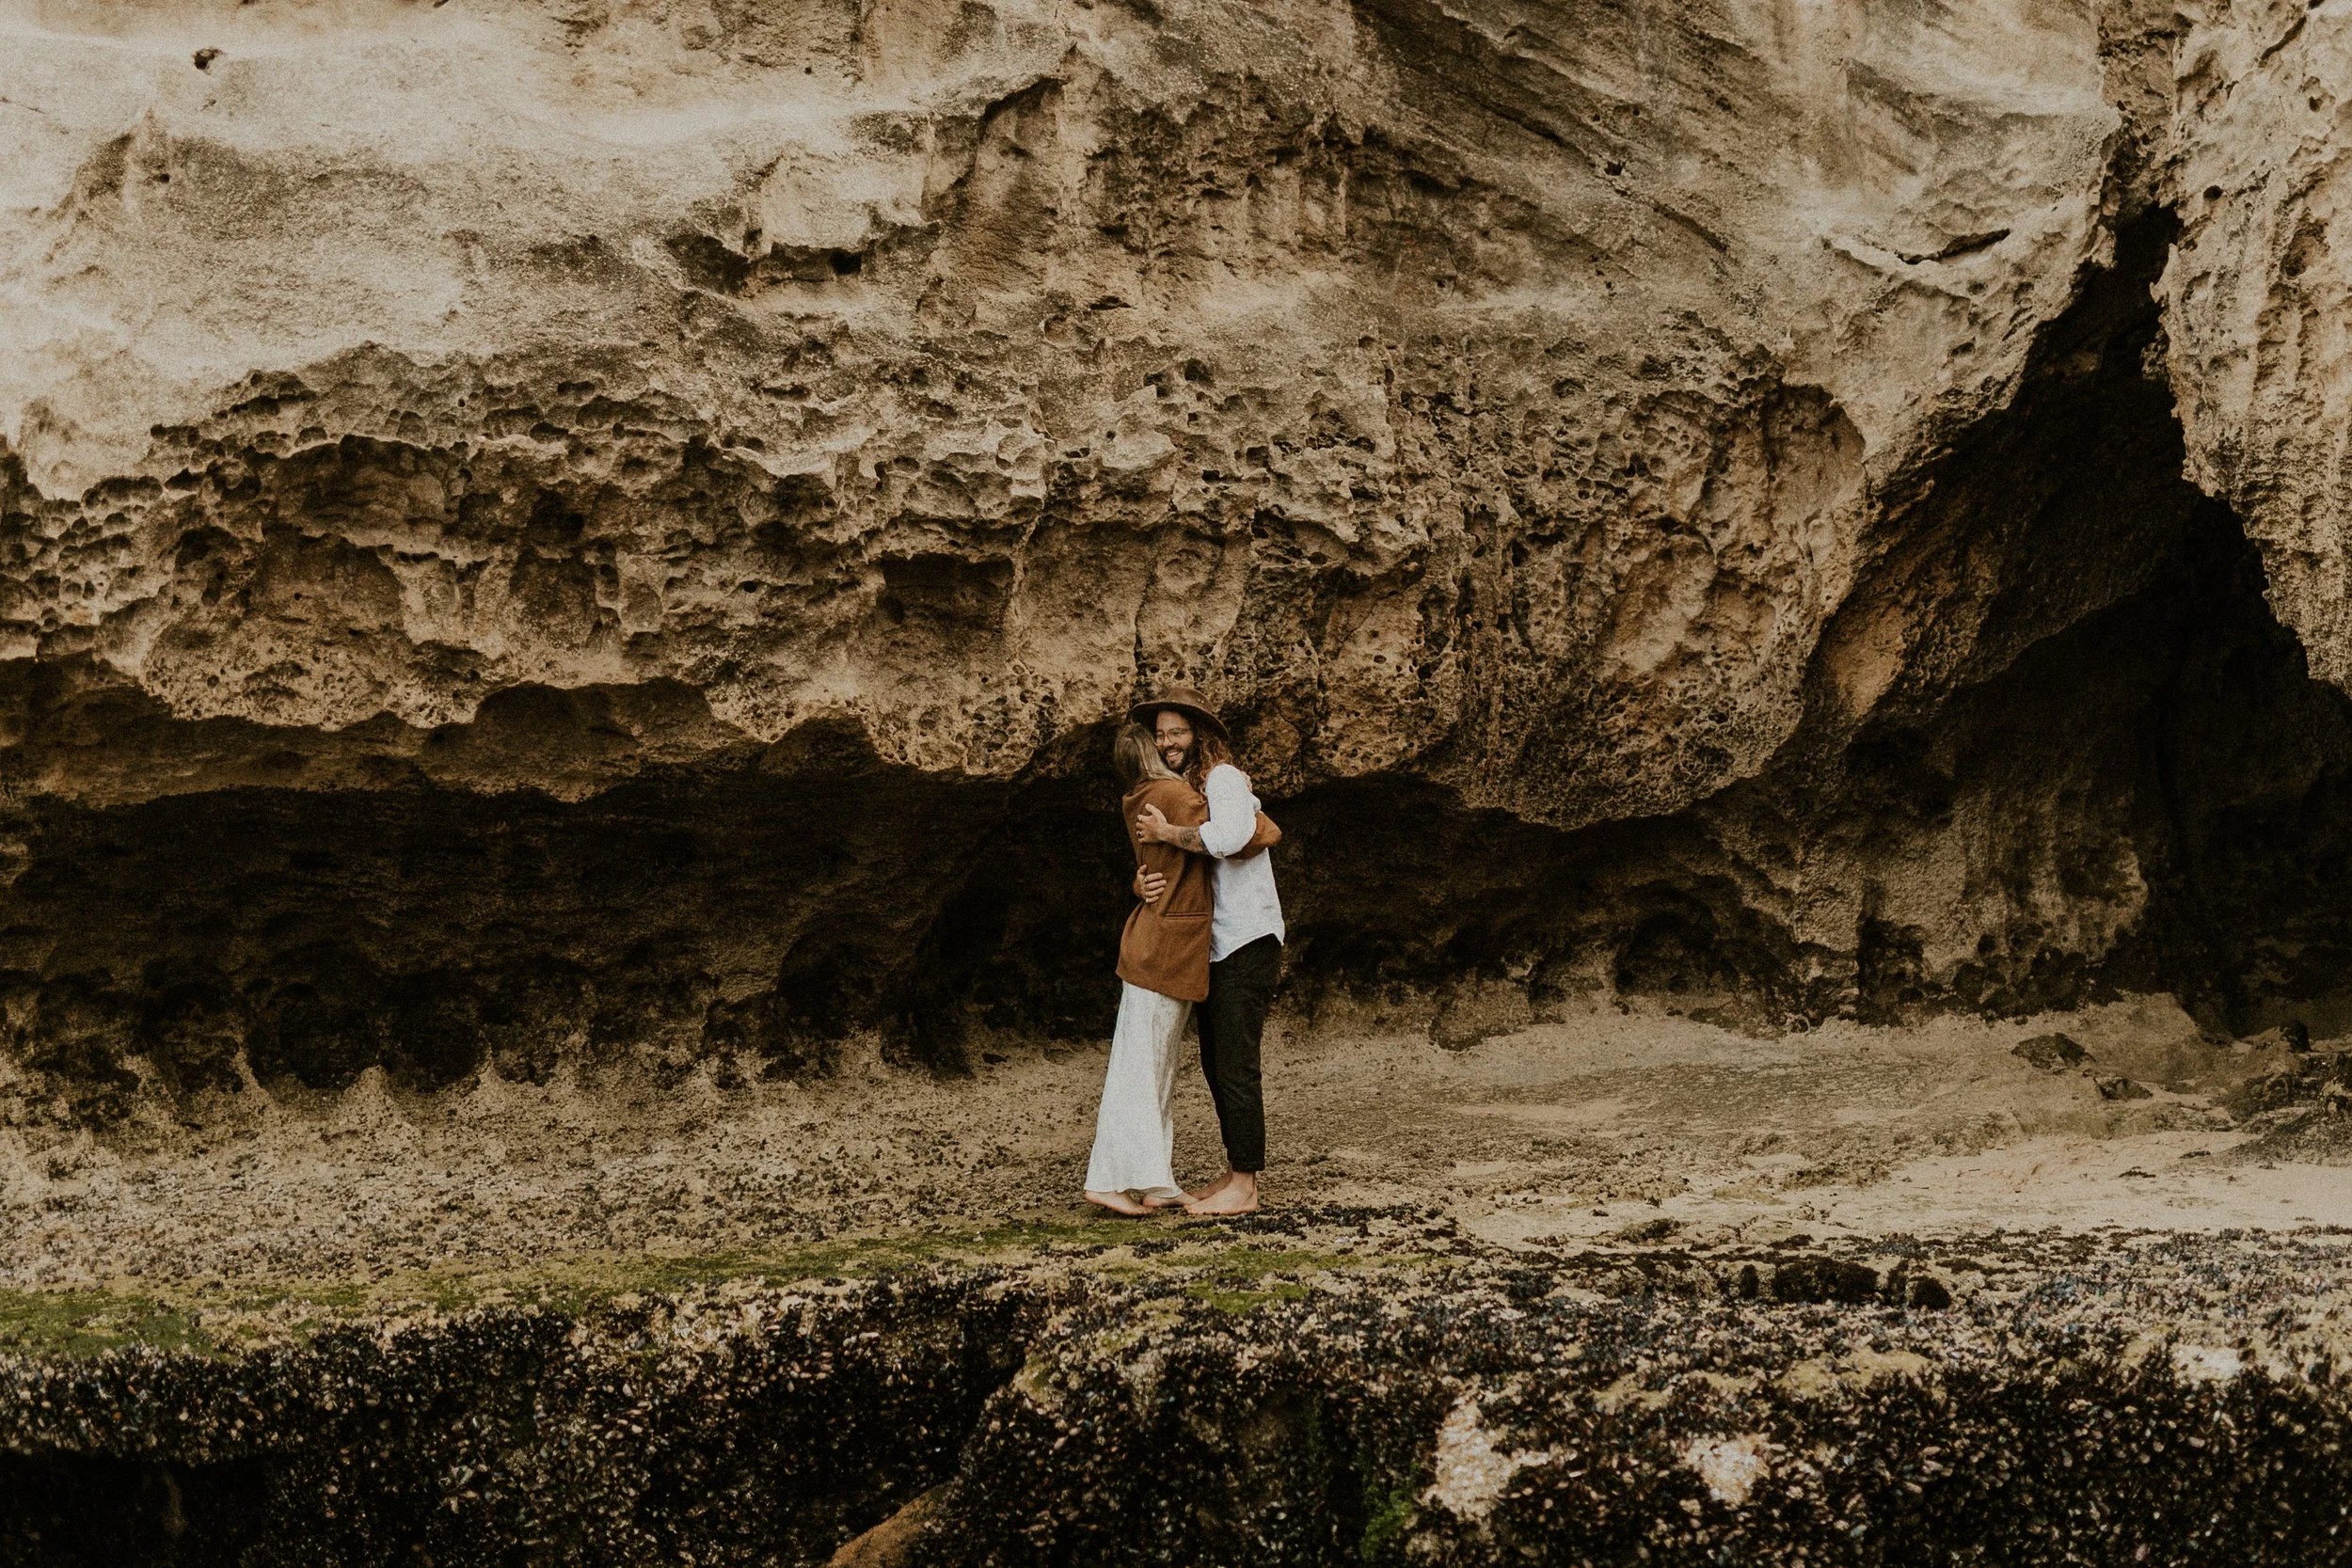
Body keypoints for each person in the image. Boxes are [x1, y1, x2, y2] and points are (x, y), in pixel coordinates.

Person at [1130, 686, 1285, 1217]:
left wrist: (1169, 832)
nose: (1169, 742)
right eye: (1161, 735)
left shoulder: (1223, 779)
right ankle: (1236, 1171)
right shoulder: (1191, 788)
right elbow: (1175, 870)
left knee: (1237, 1064)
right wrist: (1141, 884)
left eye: (1178, 732)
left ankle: (1246, 1185)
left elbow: (1231, 836)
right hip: (1213, 946)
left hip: (1248, 939)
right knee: (1218, 1063)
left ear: (1201, 735)